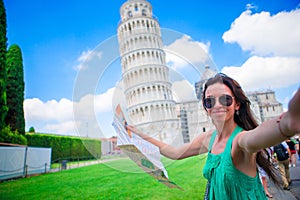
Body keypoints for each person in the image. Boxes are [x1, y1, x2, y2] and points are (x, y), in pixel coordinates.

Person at [127, 73, 300, 200]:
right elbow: (174, 153)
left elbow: (259, 135)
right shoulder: (207, 138)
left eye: (225, 99)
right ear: (205, 107)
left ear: (237, 104)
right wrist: (140, 135)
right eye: (209, 101)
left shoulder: (240, 140)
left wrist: (288, 123)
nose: (217, 105)